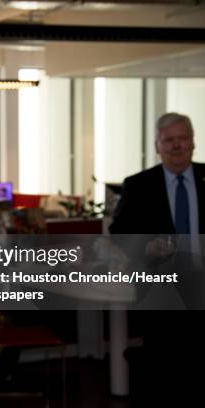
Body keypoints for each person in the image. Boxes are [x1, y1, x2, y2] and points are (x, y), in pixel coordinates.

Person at [109, 112, 204, 404]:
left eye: (183, 139)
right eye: (169, 140)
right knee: (165, 368)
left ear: (193, 142)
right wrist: (147, 248)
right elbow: (119, 233)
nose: (177, 146)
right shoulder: (139, 185)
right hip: (162, 287)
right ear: (157, 146)